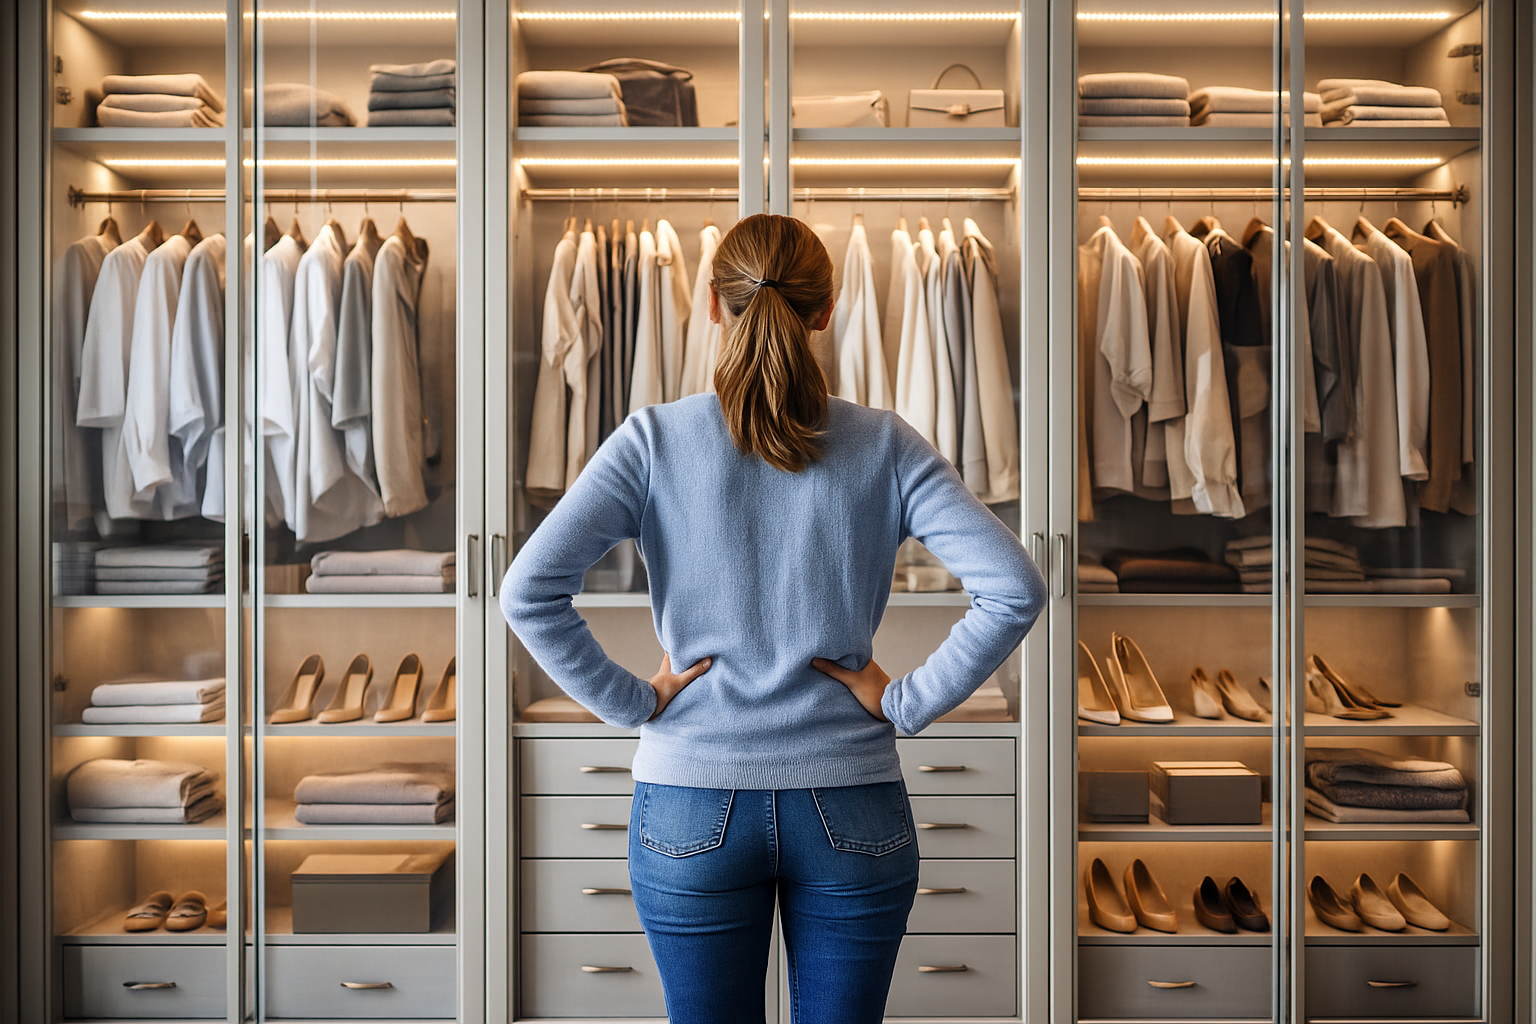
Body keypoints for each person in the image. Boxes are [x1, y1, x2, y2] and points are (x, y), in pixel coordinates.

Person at [501, 213, 1045, 1023]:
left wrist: (632, 701)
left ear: (713, 308)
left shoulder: (653, 439)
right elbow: (1015, 588)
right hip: (852, 801)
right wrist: (904, 701)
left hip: (690, 798)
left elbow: (526, 592)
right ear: (826, 312)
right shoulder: (886, 444)